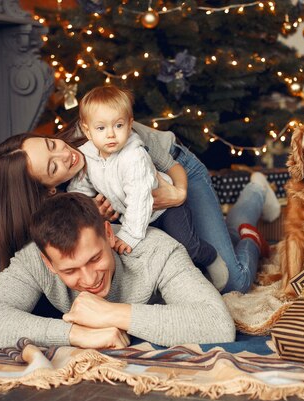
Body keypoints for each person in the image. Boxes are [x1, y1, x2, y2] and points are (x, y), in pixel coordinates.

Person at [0, 117, 279, 294]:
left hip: (178, 171)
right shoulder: (65, 200)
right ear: (50, 188)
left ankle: (253, 207)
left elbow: (170, 164)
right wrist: (98, 216)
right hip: (154, 212)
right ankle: (234, 226)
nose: (65, 156)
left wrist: (177, 193)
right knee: (202, 266)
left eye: (52, 144)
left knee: (235, 283)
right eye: (52, 167)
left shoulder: (96, 125)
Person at [0, 192, 236, 349]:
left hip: (206, 264)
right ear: (49, 264)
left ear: (107, 233)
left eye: (94, 258)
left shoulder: (158, 250)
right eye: (71, 270)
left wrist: (110, 313)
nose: (89, 278)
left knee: (239, 267)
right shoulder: (34, 259)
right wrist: (75, 334)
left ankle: (248, 228)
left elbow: (218, 324)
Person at [68, 86, 228, 289]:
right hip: (135, 215)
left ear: (130, 124)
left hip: (167, 207)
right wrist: (83, 206)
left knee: (187, 246)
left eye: (118, 125)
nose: (110, 134)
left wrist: (130, 235)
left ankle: (210, 256)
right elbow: (80, 187)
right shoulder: (88, 156)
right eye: (101, 128)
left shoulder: (134, 156)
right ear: (87, 131)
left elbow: (139, 197)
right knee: (157, 255)